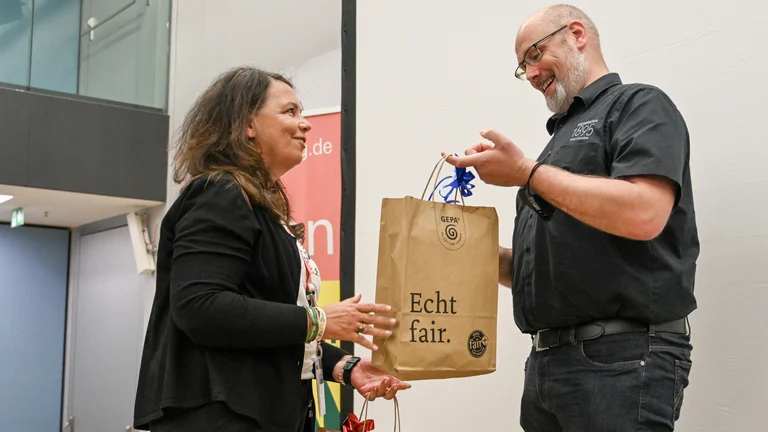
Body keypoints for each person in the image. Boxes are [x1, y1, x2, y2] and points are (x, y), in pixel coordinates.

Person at [445, 4, 698, 432]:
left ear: (576, 33)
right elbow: (543, 268)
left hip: (620, 360)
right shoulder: (555, 145)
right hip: (547, 364)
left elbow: (644, 214)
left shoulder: (639, 104)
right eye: (522, 66)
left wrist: (526, 173)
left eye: (533, 55)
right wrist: (466, 249)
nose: (530, 74)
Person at [133, 66, 411, 432]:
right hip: (219, 414)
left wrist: (347, 366)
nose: (306, 124)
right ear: (247, 124)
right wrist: (320, 320)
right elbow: (200, 306)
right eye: (289, 112)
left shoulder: (254, 205)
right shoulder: (219, 193)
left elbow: (263, 327)